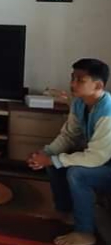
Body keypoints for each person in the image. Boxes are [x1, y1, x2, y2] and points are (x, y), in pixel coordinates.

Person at [27, 59, 111, 245]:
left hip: (105, 163)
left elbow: (97, 157)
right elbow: (69, 136)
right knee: (53, 161)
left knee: (77, 173)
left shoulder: (108, 111)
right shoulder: (79, 103)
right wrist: (45, 154)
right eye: (72, 78)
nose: (73, 83)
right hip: (101, 161)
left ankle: (85, 233)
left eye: (80, 80)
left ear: (98, 85)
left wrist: (53, 160)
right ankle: (65, 213)